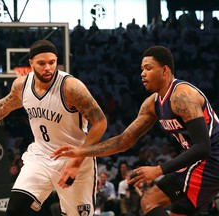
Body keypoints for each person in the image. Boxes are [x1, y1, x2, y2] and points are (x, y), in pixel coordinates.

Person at [52, 45, 219, 216]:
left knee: (149, 201)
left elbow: (203, 147)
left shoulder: (182, 96)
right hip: (202, 162)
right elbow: (123, 141)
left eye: (148, 68)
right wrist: (81, 151)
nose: (142, 74)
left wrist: (158, 169)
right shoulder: (152, 104)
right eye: (141, 69)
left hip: (211, 161)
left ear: (165, 70)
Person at [0, 39, 107, 215]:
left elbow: (100, 122)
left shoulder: (71, 87)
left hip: (75, 157)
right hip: (41, 156)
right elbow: (1, 107)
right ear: (31, 63)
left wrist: (77, 160)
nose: (48, 68)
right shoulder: (22, 85)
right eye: (41, 63)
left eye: (52, 62)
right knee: (15, 210)